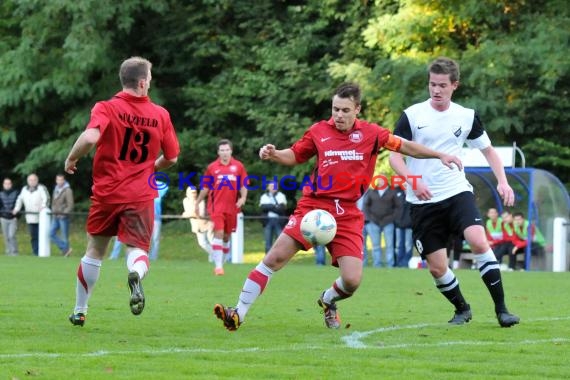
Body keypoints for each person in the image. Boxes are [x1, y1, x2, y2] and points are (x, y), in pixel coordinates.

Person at [214, 82, 462, 331]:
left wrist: (439, 155)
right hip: (314, 206)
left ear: (357, 110)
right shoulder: (318, 131)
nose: (339, 115)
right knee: (274, 258)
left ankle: (328, 300)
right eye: (335, 110)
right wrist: (275, 153)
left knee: (352, 281)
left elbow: (406, 146)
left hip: (347, 213)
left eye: (345, 110)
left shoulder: (372, 134)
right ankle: (239, 312)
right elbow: (295, 155)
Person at [389, 56, 520, 327]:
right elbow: (394, 157)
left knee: (479, 241)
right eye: (432, 84)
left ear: (454, 85)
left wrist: (503, 181)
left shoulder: (466, 116)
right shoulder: (412, 116)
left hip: (456, 191)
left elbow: (489, 151)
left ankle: (502, 310)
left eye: (442, 85)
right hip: (421, 200)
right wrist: (413, 180)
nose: (436, 90)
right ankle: (462, 309)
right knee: (437, 267)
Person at [64, 56, 180, 327]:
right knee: (137, 248)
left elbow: (91, 137)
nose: (150, 83)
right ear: (141, 83)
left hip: (106, 192)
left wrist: (71, 159)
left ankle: (80, 310)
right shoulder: (160, 114)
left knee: (95, 250)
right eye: (149, 79)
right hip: (140, 194)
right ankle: (135, 273)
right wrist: (150, 167)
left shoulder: (106, 107)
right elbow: (172, 158)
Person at [195, 139, 248, 276]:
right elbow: (206, 187)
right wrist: (197, 202)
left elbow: (243, 185)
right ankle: (218, 267)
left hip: (232, 208)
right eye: (222, 150)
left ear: (231, 151)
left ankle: (221, 263)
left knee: (226, 237)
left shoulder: (238, 166)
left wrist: (242, 198)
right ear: (218, 152)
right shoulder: (212, 168)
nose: (225, 153)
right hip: (216, 207)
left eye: (227, 150)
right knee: (218, 232)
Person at [12, 173, 49, 256]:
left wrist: (43, 207)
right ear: (28, 181)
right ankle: (35, 252)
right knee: (33, 236)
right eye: (30, 180)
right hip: (30, 217)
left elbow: (46, 199)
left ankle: (42, 253)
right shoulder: (24, 189)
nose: (32, 182)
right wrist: (16, 209)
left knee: (41, 236)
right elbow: (19, 200)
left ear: (37, 180)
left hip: (41, 217)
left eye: (34, 180)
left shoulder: (41, 188)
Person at [363, 184, 398, 267]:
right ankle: (377, 264)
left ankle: (390, 265)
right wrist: (371, 218)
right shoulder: (372, 192)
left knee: (389, 245)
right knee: (376, 245)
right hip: (374, 222)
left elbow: (397, 207)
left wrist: (392, 218)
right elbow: (366, 206)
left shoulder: (392, 192)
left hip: (388, 222)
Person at [182, 187, 214, 261]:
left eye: (195, 192)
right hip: (197, 226)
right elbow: (190, 212)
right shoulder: (185, 201)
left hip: (207, 224)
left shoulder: (201, 201)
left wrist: (189, 214)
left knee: (212, 241)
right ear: (187, 194)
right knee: (202, 243)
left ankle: (217, 258)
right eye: (192, 192)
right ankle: (216, 255)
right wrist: (192, 213)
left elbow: (200, 214)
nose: (194, 194)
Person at [259, 181, 287, 254]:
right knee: (268, 242)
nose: (273, 188)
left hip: (279, 221)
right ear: (268, 187)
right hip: (268, 221)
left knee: (280, 241)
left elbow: (282, 208)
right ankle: (267, 260)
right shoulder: (264, 196)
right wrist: (275, 206)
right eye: (271, 186)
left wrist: (269, 206)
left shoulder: (281, 196)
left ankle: (279, 258)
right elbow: (263, 207)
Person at [50, 174, 74, 256]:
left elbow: (70, 205)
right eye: (58, 180)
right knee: (51, 233)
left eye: (61, 180)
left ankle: (65, 253)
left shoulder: (68, 190)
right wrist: (53, 211)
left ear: (64, 180)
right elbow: (53, 202)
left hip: (64, 217)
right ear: (56, 180)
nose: (59, 181)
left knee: (64, 236)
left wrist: (64, 213)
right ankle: (66, 249)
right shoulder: (55, 189)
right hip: (55, 216)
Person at [394, 186, 413, 267]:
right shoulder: (398, 193)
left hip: (409, 225)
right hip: (399, 224)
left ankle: (406, 262)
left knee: (408, 244)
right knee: (398, 244)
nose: (405, 186)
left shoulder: (413, 195)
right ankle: (399, 262)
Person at [0, 177, 20, 256]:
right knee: (6, 236)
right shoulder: (0, 193)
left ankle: (14, 252)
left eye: (9, 183)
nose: (7, 185)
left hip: (13, 218)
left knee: (12, 235)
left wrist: (16, 215)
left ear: (11, 184)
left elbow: (19, 205)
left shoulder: (16, 193)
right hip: (3, 218)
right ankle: (8, 252)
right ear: (3, 184)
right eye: (6, 183)